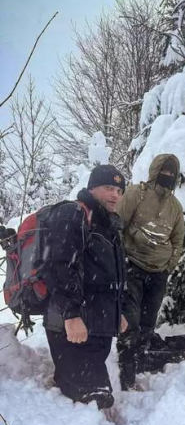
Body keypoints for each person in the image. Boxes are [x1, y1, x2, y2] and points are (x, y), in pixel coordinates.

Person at [44, 164, 128, 409]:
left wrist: (117, 312)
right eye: (108, 188)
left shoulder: (108, 226)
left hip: (96, 327)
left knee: (98, 396)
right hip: (72, 328)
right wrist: (70, 315)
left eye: (120, 191)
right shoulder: (74, 214)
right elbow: (60, 267)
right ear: (92, 188)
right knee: (94, 400)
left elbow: (109, 277)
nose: (115, 195)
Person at [116, 153, 185, 390]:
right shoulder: (136, 193)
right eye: (164, 171)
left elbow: (178, 240)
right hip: (132, 266)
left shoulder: (175, 207)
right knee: (130, 321)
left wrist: (169, 265)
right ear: (155, 171)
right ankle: (124, 369)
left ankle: (139, 361)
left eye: (172, 173)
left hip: (158, 273)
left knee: (148, 322)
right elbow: (118, 224)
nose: (168, 176)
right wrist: (119, 259)